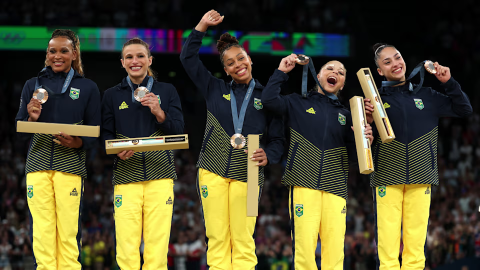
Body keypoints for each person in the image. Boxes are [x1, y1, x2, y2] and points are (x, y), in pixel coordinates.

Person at [180, 9, 284, 270]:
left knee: (243, 238)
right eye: (230, 63)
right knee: (217, 238)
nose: (238, 65)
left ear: (250, 60)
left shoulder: (268, 97)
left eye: (241, 58)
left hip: (249, 172)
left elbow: (278, 138)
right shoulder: (214, 89)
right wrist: (202, 25)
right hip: (212, 169)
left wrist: (269, 154)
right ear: (225, 70)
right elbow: (187, 58)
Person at [365, 43, 472, 270]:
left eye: (397, 57)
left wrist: (448, 83)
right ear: (380, 72)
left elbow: (464, 110)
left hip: (422, 176)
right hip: (386, 178)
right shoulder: (372, 102)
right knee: (388, 248)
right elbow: (359, 141)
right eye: (387, 62)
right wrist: (366, 120)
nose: (395, 63)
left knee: (415, 249)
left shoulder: (427, 95)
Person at [261, 54, 373, 270]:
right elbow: (268, 100)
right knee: (304, 252)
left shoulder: (347, 115)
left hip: (336, 188)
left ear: (342, 83)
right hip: (303, 184)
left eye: (341, 73)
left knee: (334, 252)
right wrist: (282, 72)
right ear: (318, 75)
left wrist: (367, 136)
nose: (335, 73)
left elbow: (357, 156)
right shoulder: (296, 102)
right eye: (330, 69)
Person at [15, 29, 101, 269]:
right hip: (37, 165)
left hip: (70, 166)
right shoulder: (32, 85)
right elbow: (20, 127)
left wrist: (78, 142)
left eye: (64, 51)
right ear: (47, 54)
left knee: (68, 231)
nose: (57, 56)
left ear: (74, 54)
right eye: (52, 51)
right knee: (42, 230)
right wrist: (31, 119)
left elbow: (96, 130)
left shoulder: (88, 88)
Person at [101, 37, 184, 270]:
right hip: (126, 177)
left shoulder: (167, 91)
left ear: (149, 60)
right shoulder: (111, 95)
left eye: (140, 56)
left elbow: (178, 131)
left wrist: (159, 111)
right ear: (122, 62)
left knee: (157, 248)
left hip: (161, 176)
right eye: (129, 57)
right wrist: (116, 151)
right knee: (126, 248)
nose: (134, 61)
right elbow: (105, 136)